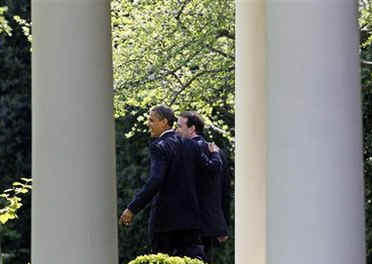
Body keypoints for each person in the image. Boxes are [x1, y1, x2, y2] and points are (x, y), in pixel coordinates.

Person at [120, 105, 222, 260]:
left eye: (151, 120)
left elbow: (155, 180)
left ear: (164, 122)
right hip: (190, 221)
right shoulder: (191, 144)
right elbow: (212, 167)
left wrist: (133, 208)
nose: (148, 124)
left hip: (165, 222)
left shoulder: (159, 146)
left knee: (162, 260)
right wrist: (215, 154)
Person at [176, 111, 232, 263]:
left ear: (192, 128)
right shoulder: (218, 151)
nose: (176, 131)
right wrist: (223, 224)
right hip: (212, 223)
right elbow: (225, 191)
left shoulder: (186, 150)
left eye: (180, 127)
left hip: (190, 223)